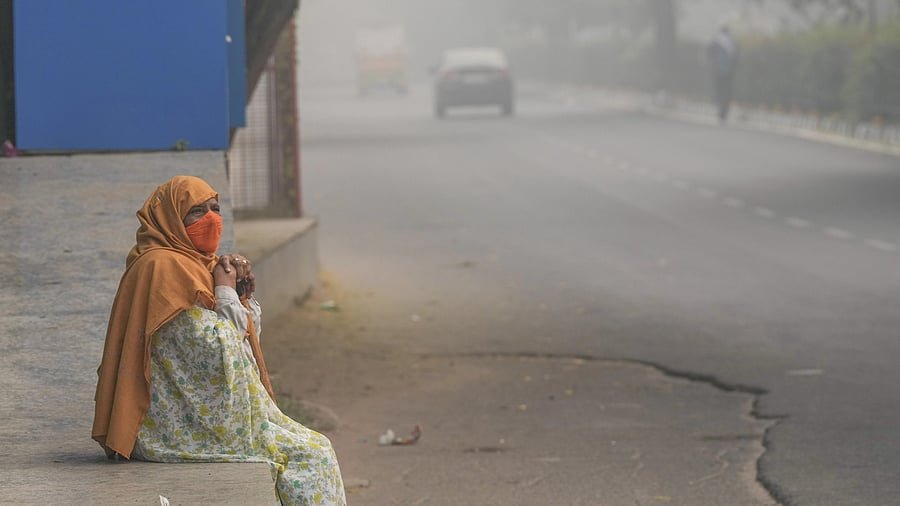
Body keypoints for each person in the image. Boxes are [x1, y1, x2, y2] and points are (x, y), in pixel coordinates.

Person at [92, 175, 346, 506]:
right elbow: (217, 351)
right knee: (312, 457)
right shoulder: (162, 268)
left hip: (197, 415)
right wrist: (224, 291)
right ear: (171, 218)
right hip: (168, 428)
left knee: (314, 448)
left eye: (215, 209)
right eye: (197, 211)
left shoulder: (195, 263)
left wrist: (240, 295)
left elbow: (238, 342)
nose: (211, 219)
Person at [707, 24, 739, 123]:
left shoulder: (715, 42)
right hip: (729, 72)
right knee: (727, 91)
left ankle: (720, 112)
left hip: (718, 71)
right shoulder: (732, 43)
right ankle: (724, 112)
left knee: (719, 91)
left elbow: (709, 55)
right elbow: (736, 59)